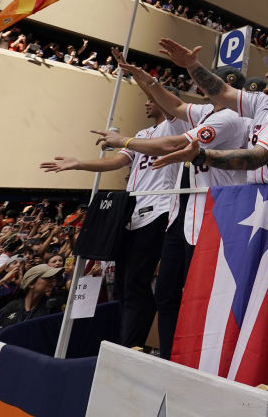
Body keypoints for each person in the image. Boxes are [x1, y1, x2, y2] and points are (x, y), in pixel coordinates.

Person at [98, 43, 268, 417]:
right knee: (252, 300)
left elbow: (259, 156)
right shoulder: (265, 104)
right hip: (261, 208)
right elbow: (220, 93)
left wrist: (201, 154)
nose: (267, 74)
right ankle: (251, 380)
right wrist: (192, 65)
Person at [43, 95, 187, 348]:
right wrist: (79, 164)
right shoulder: (142, 132)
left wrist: (142, 77)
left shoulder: (176, 126)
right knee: (122, 283)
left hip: (159, 210)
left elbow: (167, 102)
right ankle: (127, 342)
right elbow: (117, 161)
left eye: (151, 99)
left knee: (135, 282)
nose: (145, 103)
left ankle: (132, 345)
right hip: (132, 214)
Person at [0, 265, 62, 398]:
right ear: (31, 284)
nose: (53, 281)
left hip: (27, 385)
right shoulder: (8, 310)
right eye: (48, 278)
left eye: (54, 278)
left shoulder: (52, 312)